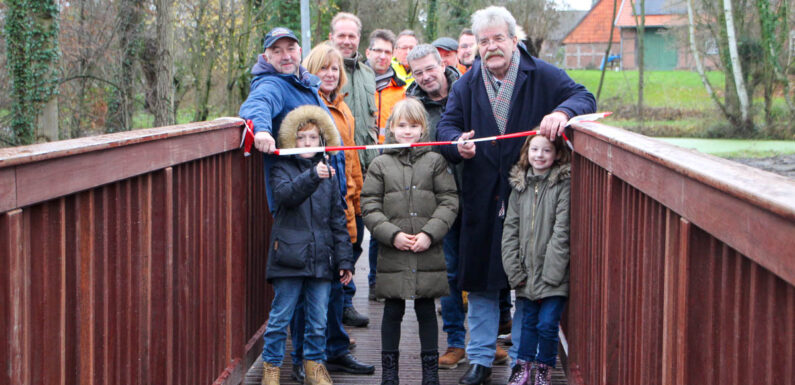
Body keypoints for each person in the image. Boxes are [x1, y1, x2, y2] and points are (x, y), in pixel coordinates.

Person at [435, 6, 595, 385]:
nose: (491, 47)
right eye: (484, 41)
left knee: (528, 281)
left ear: (514, 40)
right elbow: (446, 127)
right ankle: (479, 359)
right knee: (482, 282)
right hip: (481, 197)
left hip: (531, 199)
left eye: (498, 39)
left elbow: (584, 97)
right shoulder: (466, 83)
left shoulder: (541, 74)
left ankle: (523, 360)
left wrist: (563, 111)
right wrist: (457, 145)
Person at [287, 44, 375, 382]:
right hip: (311, 214)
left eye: (335, 69)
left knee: (338, 285)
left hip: (342, 210)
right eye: (323, 68)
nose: (330, 74)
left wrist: (357, 203)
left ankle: (336, 351)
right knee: (306, 294)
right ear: (311, 69)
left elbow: (351, 162)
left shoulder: (344, 109)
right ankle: (304, 358)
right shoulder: (306, 108)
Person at [361, 98, 459, 385]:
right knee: (392, 310)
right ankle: (389, 374)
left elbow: (449, 200)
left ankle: (430, 374)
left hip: (427, 248)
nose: (407, 131)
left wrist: (429, 233)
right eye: (401, 125)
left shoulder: (436, 161)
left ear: (422, 129)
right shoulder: (380, 163)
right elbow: (369, 205)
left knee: (426, 309)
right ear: (391, 128)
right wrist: (392, 235)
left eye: (413, 126)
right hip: (394, 250)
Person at [259, 105, 354, 385]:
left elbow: (339, 221)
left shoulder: (329, 175)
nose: (307, 143)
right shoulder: (281, 168)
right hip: (288, 257)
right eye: (301, 138)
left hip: (322, 259)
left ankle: (314, 368)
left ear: (322, 140)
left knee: (318, 321)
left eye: (313, 138)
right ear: (291, 140)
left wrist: (345, 261)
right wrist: (314, 176)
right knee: (280, 318)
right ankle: (271, 370)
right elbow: (285, 196)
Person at [405, 44, 468, 370]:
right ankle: (456, 341)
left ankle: (486, 341)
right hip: (438, 202)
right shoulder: (410, 106)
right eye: (418, 72)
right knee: (449, 272)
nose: (426, 76)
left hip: (476, 192)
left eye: (430, 68)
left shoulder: (470, 90)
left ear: (442, 63)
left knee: (486, 266)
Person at [238, 27, 347, 213]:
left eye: (290, 48)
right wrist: (262, 130)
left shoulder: (305, 85)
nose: (286, 56)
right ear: (266, 58)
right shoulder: (272, 84)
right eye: (277, 51)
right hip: (299, 208)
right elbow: (258, 103)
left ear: (300, 52)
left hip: (324, 200)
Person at [502, 133, 571, 385]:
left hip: (553, 273)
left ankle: (544, 367)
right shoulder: (519, 187)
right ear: (526, 153)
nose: (539, 155)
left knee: (547, 323)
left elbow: (562, 230)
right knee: (527, 323)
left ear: (557, 154)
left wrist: (550, 275)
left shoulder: (562, 185)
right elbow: (510, 230)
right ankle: (523, 365)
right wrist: (514, 270)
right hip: (526, 272)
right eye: (535, 150)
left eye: (546, 150)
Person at [329, 12, 374, 327]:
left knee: (357, 238)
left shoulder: (368, 73)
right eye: (341, 35)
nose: (347, 41)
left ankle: (345, 299)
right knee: (340, 240)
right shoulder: (323, 71)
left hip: (364, 169)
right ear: (332, 37)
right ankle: (340, 306)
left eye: (352, 35)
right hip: (334, 172)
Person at [365, 29, 406, 144]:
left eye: (387, 52)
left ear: (392, 55)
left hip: (390, 154)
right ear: (368, 53)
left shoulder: (401, 91)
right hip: (359, 152)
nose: (383, 56)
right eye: (378, 50)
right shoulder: (355, 84)